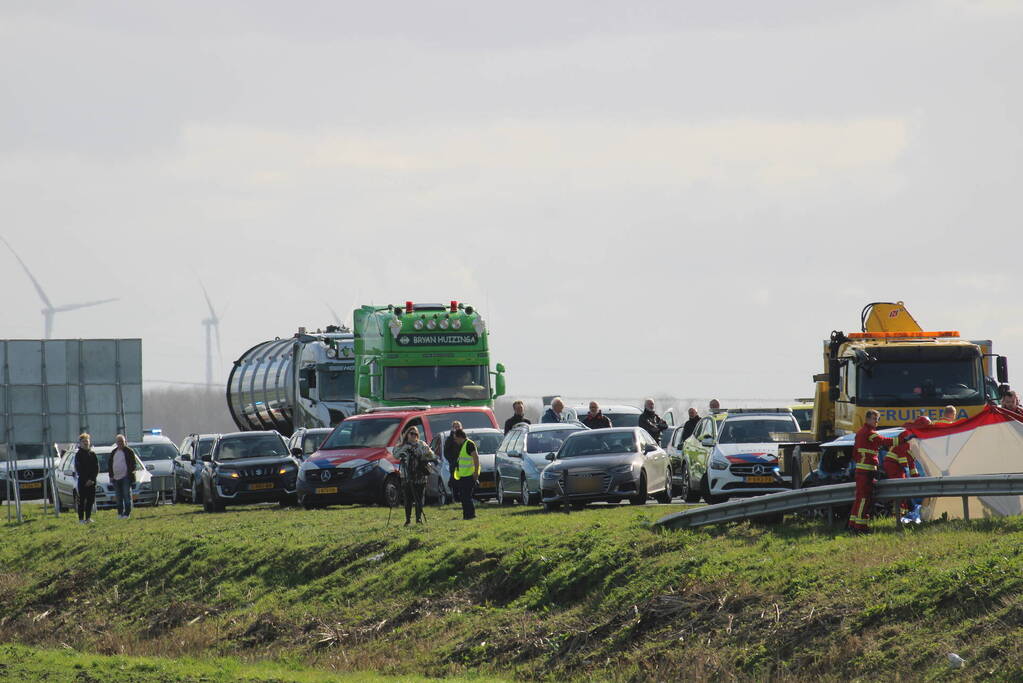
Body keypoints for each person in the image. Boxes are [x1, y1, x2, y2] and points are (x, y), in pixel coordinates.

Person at [849, 410, 909, 533]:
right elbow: (884, 441)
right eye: (875, 419)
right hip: (867, 471)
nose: (877, 422)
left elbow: (855, 453)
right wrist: (902, 439)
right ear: (868, 419)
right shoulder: (869, 433)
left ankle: (853, 524)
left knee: (860, 499)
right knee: (864, 499)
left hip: (861, 470)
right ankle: (860, 527)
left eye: (878, 420)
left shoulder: (860, 433)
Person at [883, 417, 928, 520]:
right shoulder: (908, 434)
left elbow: (911, 460)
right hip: (893, 464)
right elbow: (902, 451)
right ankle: (896, 515)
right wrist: (906, 468)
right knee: (900, 489)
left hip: (898, 465)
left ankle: (901, 513)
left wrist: (916, 477)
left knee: (902, 489)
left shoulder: (916, 437)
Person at [394, 426, 437, 526]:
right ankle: (408, 520)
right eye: (412, 433)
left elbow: (432, 455)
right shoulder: (402, 445)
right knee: (408, 499)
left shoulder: (422, 444)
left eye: (416, 434)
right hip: (407, 476)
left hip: (420, 475)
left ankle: (418, 519)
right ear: (407, 434)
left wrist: (423, 454)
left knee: (419, 498)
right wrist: (405, 447)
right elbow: (396, 455)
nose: (414, 435)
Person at [450, 428, 480, 520]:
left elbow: (476, 459)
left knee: (466, 496)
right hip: (463, 476)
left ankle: (470, 515)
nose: (455, 441)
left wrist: (476, 473)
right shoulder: (462, 445)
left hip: (469, 475)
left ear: (460, 437)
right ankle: (466, 515)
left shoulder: (469, 444)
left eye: (455, 439)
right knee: (463, 496)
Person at [107, 434, 138, 519]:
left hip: (126, 478)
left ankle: (127, 514)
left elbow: (133, 464)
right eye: (118, 441)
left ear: (125, 442)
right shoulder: (113, 452)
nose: (120, 443)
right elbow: (110, 465)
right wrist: (111, 476)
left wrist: (129, 473)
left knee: (126, 495)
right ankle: (120, 513)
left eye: (122, 441)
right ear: (116, 443)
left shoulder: (129, 451)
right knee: (118, 497)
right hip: (116, 478)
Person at [73, 433, 98, 524]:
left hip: (92, 482)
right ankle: (81, 519)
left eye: (87, 441)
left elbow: (96, 468)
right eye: (83, 441)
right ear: (80, 443)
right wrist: (86, 480)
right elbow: (79, 469)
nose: (86, 443)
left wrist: (92, 479)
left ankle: (88, 518)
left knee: (90, 500)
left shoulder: (92, 454)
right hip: (82, 482)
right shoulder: (78, 455)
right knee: (81, 501)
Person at [444, 421, 463, 501]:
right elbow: (446, 452)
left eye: (458, 426)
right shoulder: (450, 439)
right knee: (455, 482)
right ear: (452, 428)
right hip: (454, 465)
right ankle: (456, 499)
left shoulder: (464, 437)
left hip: (464, 465)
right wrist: (452, 460)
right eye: (455, 427)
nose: (457, 428)